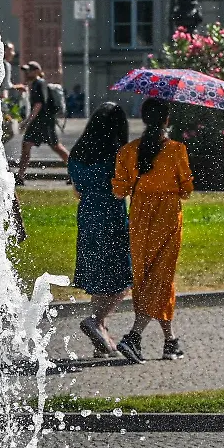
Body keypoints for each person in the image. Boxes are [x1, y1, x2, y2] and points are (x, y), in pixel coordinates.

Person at [111, 98, 194, 364]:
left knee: (147, 277)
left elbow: (118, 190)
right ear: (167, 120)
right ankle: (134, 337)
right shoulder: (176, 149)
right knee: (161, 277)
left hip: (139, 216)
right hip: (167, 216)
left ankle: (170, 341)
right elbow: (187, 189)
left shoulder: (128, 151)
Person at [67, 102, 131, 358]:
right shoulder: (117, 154)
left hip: (87, 215)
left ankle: (101, 334)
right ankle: (96, 320)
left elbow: (77, 189)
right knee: (121, 275)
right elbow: (121, 189)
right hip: (112, 215)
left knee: (98, 273)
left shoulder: (77, 153)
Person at [16, 61, 69, 185]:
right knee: (26, 146)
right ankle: (20, 176)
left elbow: (39, 104)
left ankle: (75, 173)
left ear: (36, 71)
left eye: (29, 70)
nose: (26, 73)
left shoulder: (39, 84)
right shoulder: (34, 84)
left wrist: (27, 121)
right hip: (39, 121)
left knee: (57, 147)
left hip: (43, 121)